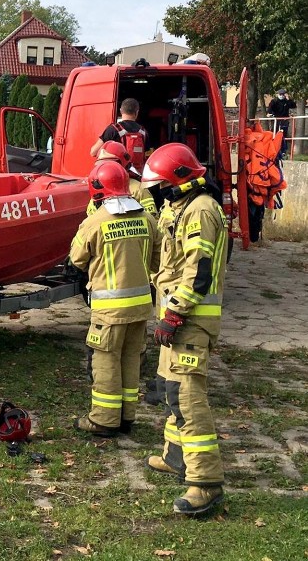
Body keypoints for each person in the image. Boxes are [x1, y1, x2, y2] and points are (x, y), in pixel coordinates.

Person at [140, 142, 228, 516]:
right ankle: (176, 457)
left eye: (160, 185)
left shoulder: (201, 212)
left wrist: (173, 313)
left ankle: (205, 483)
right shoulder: (179, 207)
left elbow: (199, 271)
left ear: (178, 181)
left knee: (189, 400)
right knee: (170, 392)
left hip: (189, 321)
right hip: (177, 320)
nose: (157, 192)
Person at [69, 161, 160, 439]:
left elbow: (77, 259)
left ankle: (104, 420)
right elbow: (158, 259)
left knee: (106, 361)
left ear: (97, 190)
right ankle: (126, 416)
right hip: (141, 307)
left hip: (109, 311)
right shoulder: (146, 218)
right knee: (131, 359)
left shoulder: (95, 222)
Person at [87, 141, 157, 217]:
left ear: (124, 164)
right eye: (102, 165)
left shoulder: (139, 189)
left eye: (111, 165)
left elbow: (152, 219)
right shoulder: (98, 190)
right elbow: (91, 218)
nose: (106, 168)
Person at [90, 98, 149, 173]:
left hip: (119, 176)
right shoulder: (143, 132)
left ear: (121, 111)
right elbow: (147, 156)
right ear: (137, 112)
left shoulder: (112, 129)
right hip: (138, 177)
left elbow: (93, 152)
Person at [266, 89, 296, 156]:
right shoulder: (275, 101)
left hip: (284, 120)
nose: (282, 96)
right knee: (275, 133)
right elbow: (270, 108)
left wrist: (289, 99)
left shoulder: (286, 101)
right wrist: (269, 113)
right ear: (277, 94)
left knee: (283, 135)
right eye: (280, 94)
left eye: (283, 94)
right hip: (276, 119)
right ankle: (273, 149)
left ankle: (283, 151)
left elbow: (293, 105)